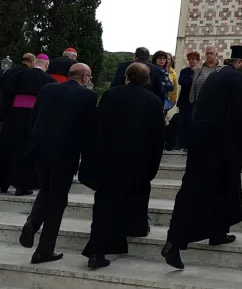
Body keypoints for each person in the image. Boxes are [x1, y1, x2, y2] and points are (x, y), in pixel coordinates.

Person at [162, 46, 242, 270]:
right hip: (220, 146)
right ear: (241, 62)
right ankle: (174, 241)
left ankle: (218, 232)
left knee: (218, 188)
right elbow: (240, 115)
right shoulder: (237, 80)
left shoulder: (216, 75)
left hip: (202, 142)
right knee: (199, 192)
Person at [80, 62, 165, 269]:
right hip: (138, 163)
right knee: (132, 200)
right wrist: (152, 166)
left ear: (127, 76)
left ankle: (97, 251)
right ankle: (133, 229)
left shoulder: (111, 95)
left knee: (105, 206)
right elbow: (158, 139)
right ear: (147, 79)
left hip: (109, 160)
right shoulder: (153, 101)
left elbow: (97, 128)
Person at [18, 63, 97, 264]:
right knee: (58, 199)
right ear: (85, 77)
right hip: (65, 153)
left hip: (40, 148)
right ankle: (44, 250)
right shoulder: (88, 96)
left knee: (47, 189)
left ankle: (33, 222)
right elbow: (88, 130)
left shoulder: (47, 89)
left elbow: (34, 117)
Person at [0, 54, 55, 195]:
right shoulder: (49, 81)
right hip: (34, 119)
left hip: (14, 116)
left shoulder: (17, 75)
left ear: (33, 63)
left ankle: (3, 183)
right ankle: (22, 186)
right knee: (27, 151)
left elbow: (6, 97)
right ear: (46, 65)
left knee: (9, 149)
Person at [175, 51, 200, 151]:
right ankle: (179, 143)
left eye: (193, 59)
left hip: (194, 101)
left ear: (197, 60)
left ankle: (188, 144)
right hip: (184, 100)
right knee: (182, 122)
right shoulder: (185, 71)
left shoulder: (199, 71)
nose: (191, 61)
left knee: (192, 123)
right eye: (190, 59)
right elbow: (182, 81)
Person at [0, 53, 35, 122]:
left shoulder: (9, 71)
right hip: (17, 105)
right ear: (32, 61)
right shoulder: (29, 73)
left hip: (4, 102)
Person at [188, 45, 222, 115]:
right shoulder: (199, 69)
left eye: (211, 53)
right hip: (198, 104)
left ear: (216, 54)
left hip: (215, 104)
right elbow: (193, 85)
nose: (209, 55)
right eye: (207, 53)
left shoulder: (221, 69)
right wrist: (192, 101)